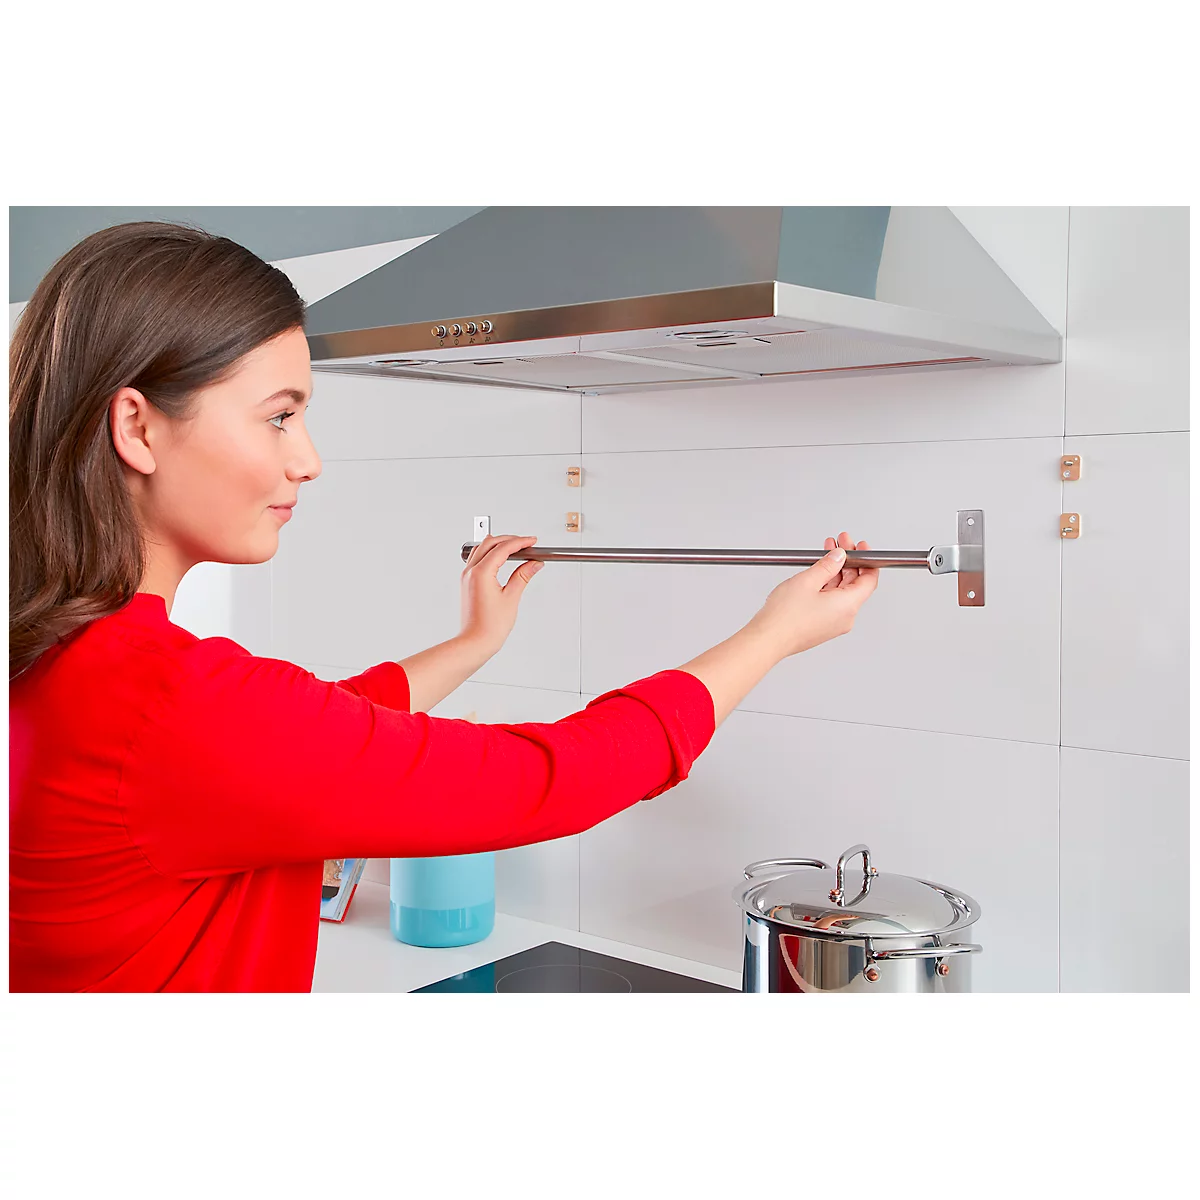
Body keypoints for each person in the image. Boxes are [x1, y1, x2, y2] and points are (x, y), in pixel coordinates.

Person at [8, 221, 879, 992]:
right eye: (279, 417)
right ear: (138, 427)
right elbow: (550, 780)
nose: (307, 460)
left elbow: (305, 735)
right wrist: (773, 636)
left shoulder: (71, 658)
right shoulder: (171, 705)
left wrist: (473, 643)